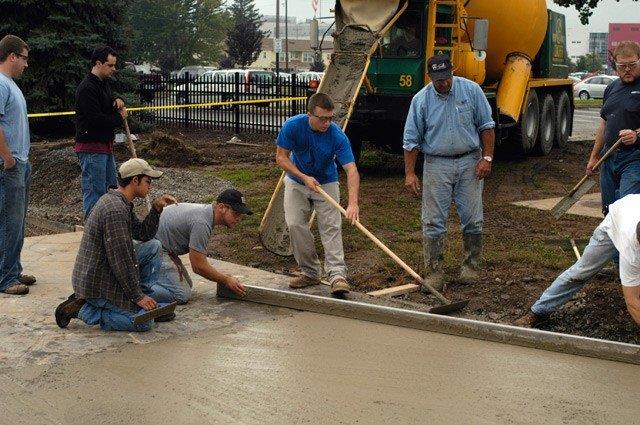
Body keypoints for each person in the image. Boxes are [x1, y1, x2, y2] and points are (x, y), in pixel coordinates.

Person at [403, 54, 495, 292]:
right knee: (433, 221)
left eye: (445, 78)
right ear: (430, 77)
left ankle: (471, 266)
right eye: (437, 80)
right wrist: (410, 174)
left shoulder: (472, 91)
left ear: (452, 72)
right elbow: (411, 140)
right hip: (436, 163)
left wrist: (487, 157)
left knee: (473, 218)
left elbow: (486, 126)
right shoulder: (421, 100)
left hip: (469, 162)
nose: (442, 83)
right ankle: (433, 271)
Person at [54, 158, 177, 332]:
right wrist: (137, 297)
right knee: (143, 322)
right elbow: (121, 259)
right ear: (135, 180)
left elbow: (143, 234)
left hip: (106, 272)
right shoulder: (115, 210)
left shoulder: (121, 202)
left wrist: (156, 209)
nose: (150, 186)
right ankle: (83, 310)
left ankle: (140, 301)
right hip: (97, 284)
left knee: (153, 246)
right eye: (148, 181)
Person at [275, 92, 360, 296]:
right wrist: (303, 176)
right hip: (297, 181)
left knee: (331, 226)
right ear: (309, 115)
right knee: (295, 224)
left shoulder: (336, 134)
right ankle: (310, 272)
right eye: (322, 118)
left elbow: (351, 170)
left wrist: (353, 203)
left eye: (330, 118)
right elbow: (281, 158)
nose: (326, 123)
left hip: (327, 181)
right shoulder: (293, 126)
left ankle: (337, 275)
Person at [516, 194, 640, 328]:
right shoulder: (631, 250)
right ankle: (538, 312)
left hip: (631, 210)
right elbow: (632, 301)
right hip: (615, 222)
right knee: (582, 271)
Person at [152, 189, 251, 304]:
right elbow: (198, 266)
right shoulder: (202, 223)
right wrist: (225, 280)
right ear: (221, 207)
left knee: (187, 284)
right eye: (236, 213)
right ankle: (134, 293)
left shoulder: (205, 215)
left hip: (159, 245)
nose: (238, 218)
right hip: (152, 247)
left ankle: (145, 277)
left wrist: (222, 277)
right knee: (181, 294)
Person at [586, 41, 640, 217]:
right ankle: (611, 244)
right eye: (622, 66)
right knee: (609, 211)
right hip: (608, 157)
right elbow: (604, 124)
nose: (627, 69)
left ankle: (630, 244)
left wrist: (636, 134)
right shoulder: (612, 88)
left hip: (634, 159)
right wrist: (594, 158)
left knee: (626, 211)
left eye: (632, 65)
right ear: (615, 65)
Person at [0, 35, 36, 296]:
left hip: (21, 162)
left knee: (18, 221)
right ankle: (5, 277)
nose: (26, 64)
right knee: (9, 222)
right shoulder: (1, 84)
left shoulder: (10, 84)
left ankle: (12, 267)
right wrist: (8, 158)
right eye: (23, 58)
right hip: (10, 165)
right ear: (12, 56)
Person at [74, 45, 127, 218]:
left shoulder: (103, 84)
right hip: (91, 148)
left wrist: (118, 100)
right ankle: (92, 232)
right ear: (98, 63)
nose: (114, 69)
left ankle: (107, 229)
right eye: (110, 65)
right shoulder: (87, 88)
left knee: (111, 188)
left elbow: (109, 102)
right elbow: (95, 120)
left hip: (105, 146)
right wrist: (119, 119)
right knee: (94, 192)